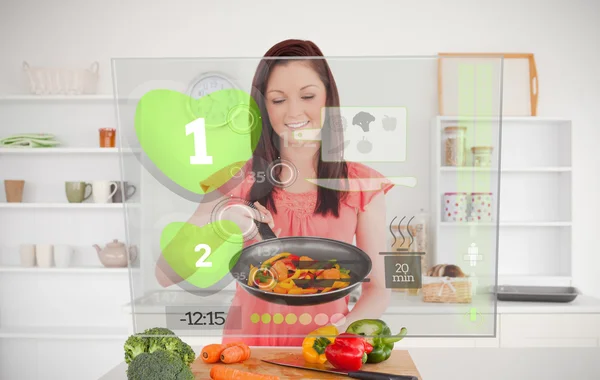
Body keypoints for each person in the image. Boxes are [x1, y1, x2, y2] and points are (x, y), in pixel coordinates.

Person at [156, 39, 393, 346]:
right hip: (245, 353)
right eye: (278, 100)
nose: (294, 111)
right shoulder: (235, 179)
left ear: (328, 98)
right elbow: (166, 273)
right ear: (263, 107)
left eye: (307, 95)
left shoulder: (363, 185)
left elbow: (380, 290)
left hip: (324, 353)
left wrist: (337, 333)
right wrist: (223, 224)